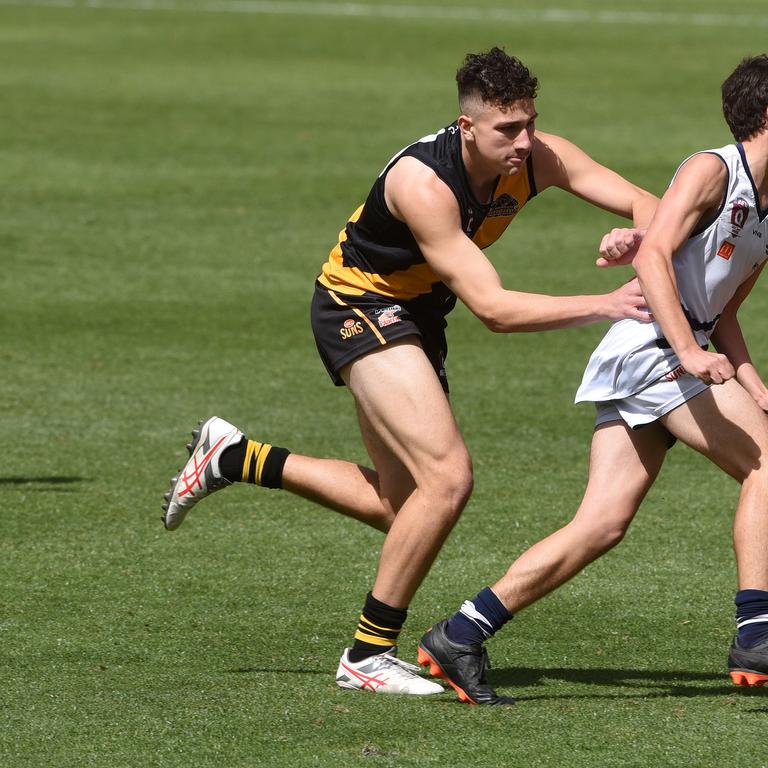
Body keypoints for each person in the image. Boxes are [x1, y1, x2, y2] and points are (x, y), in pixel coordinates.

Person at [162, 47, 657, 697]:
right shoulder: (422, 182)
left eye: (531, 123)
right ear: (466, 126)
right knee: (448, 480)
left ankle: (234, 458)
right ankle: (368, 654)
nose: (525, 141)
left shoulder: (537, 158)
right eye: (508, 129)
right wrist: (607, 303)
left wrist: (639, 236)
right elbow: (495, 309)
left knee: (405, 506)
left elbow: (649, 203)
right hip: (358, 304)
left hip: (419, 312)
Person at [418, 53, 768, 706]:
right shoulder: (714, 169)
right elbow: (658, 254)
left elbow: (727, 309)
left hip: (667, 349)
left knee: (602, 523)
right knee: (766, 464)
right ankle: (757, 628)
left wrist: (754, 382)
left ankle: (460, 633)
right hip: (655, 346)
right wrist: (689, 351)